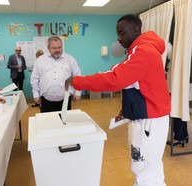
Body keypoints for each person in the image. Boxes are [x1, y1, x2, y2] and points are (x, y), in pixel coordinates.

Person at [65, 14, 171, 186]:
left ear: (135, 30)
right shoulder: (145, 48)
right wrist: (129, 106)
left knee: (143, 172)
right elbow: (139, 84)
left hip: (148, 121)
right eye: (118, 34)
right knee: (153, 170)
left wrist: (77, 81)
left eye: (122, 33)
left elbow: (114, 80)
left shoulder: (142, 51)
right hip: (152, 116)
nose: (118, 38)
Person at [31, 36, 81, 113]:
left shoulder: (70, 59)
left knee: (65, 123)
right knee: (47, 123)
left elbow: (77, 77)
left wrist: (77, 92)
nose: (57, 50)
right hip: (46, 101)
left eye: (60, 47)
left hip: (65, 101)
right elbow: (34, 78)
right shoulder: (40, 61)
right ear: (48, 48)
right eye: (54, 48)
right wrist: (36, 94)